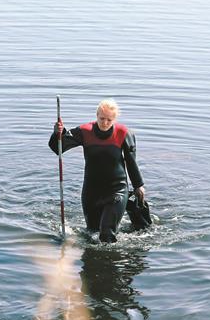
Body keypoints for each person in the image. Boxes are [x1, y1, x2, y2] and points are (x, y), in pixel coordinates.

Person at [49, 99, 146, 242]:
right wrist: (58, 133)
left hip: (116, 189)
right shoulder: (84, 131)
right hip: (91, 192)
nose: (105, 123)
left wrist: (138, 185)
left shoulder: (124, 133)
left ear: (115, 119)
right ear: (96, 115)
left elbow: (131, 162)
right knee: (91, 234)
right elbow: (58, 148)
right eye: (102, 118)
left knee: (106, 235)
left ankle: (111, 262)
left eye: (109, 119)